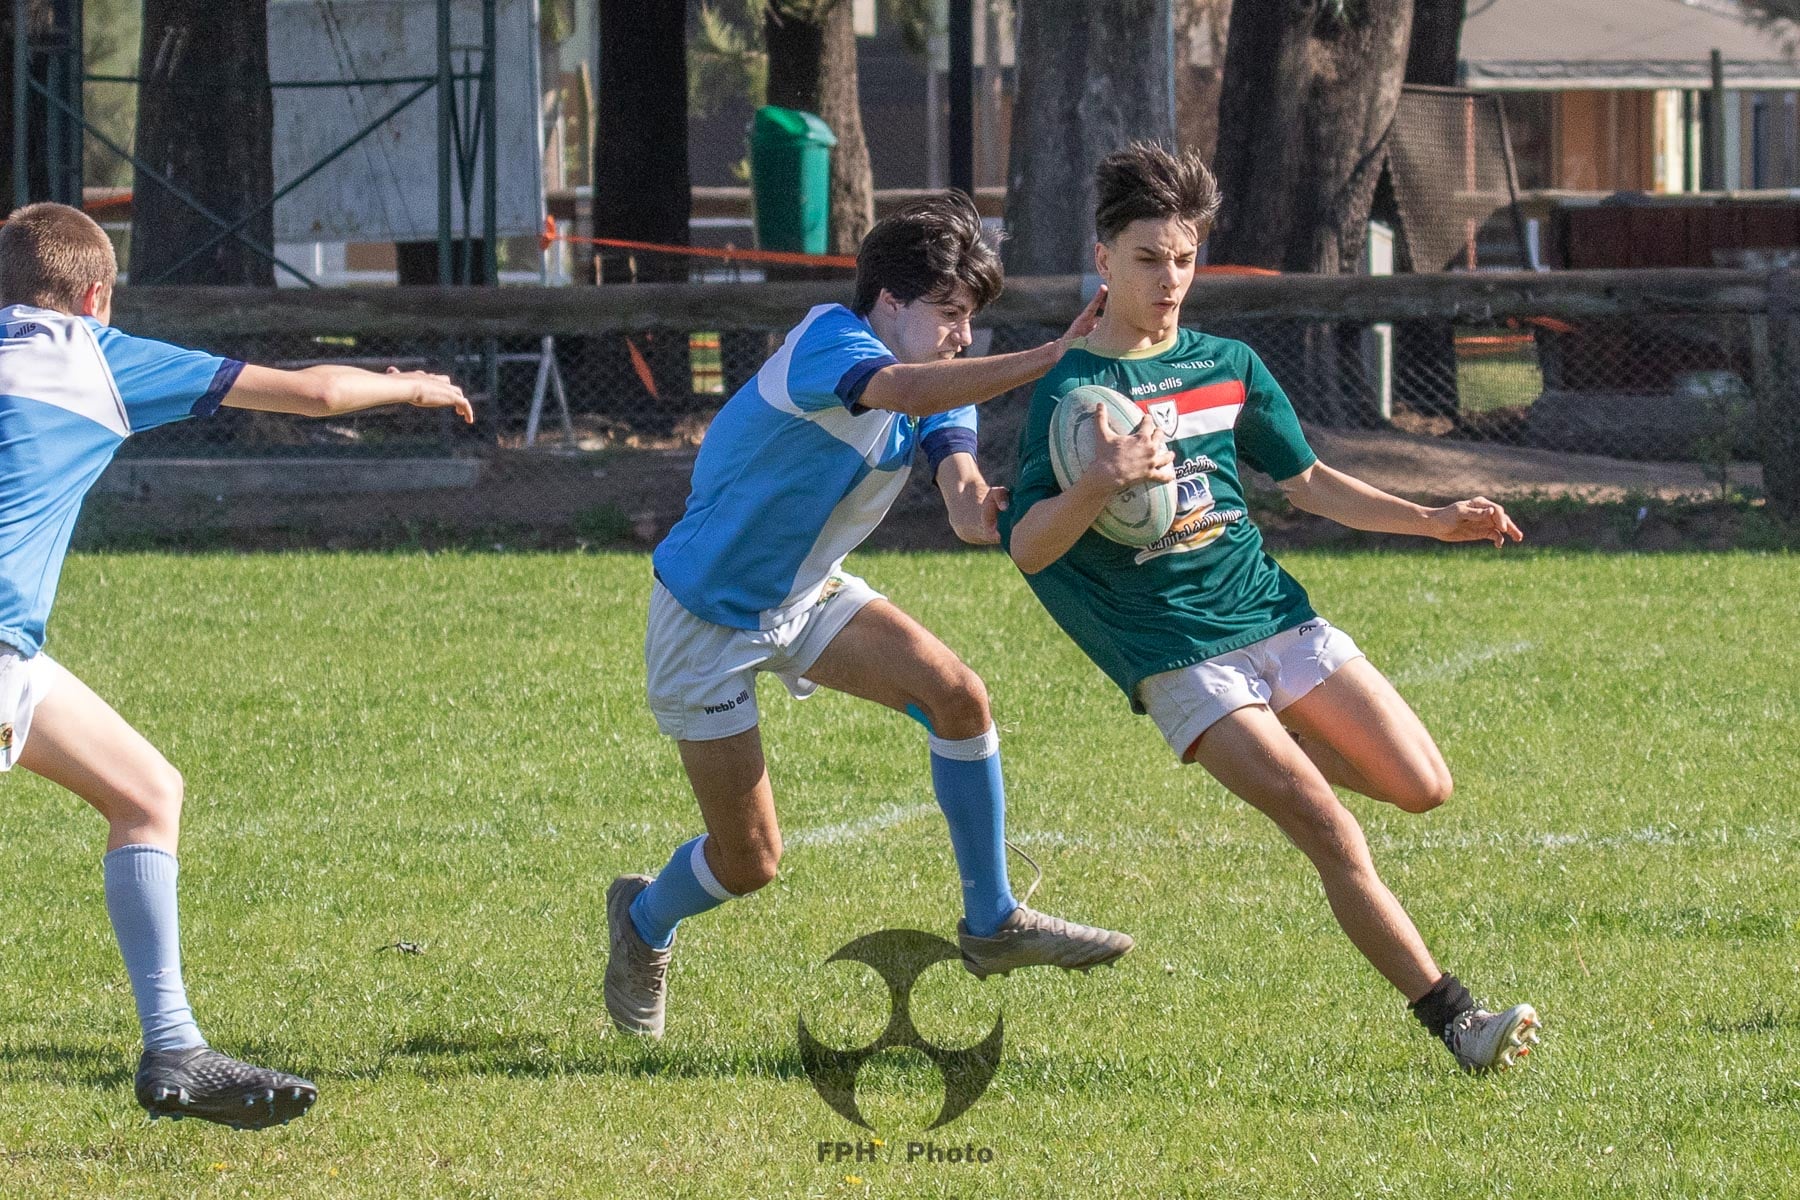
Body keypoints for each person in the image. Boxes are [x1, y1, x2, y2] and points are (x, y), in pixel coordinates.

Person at [999, 145, 1541, 1072]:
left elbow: (1312, 482)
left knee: (1423, 785)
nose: (1170, 280)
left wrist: (1432, 520)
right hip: (1179, 656)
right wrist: (1100, 481)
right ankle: (1458, 1021)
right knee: (1329, 827)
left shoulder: (1228, 364)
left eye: (1183, 258)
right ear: (1102, 259)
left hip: (1274, 618)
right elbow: (1028, 545)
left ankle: (1285, 751)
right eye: (1147, 259)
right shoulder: (1069, 397)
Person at [605, 193, 1132, 1039]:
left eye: (971, 318)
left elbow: (960, 497)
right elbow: (901, 389)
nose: (963, 334)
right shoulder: (831, 343)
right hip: (708, 620)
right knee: (751, 861)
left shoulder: (939, 382)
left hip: (808, 596)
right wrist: (1051, 356)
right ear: (887, 299)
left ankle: (992, 920)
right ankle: (642, 919)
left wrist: (996, 504)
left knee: (960, 697)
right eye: (950, 313)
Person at [0, 202, 474, 1125]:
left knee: (146, 790)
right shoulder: (97, 357)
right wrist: (411, 387)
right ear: (95, 294)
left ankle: (175, 1049)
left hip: (12, 658)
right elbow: (317, 395)